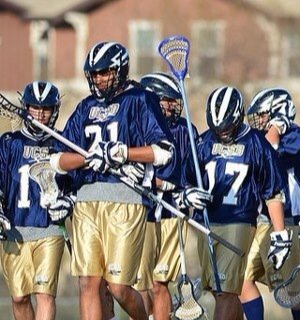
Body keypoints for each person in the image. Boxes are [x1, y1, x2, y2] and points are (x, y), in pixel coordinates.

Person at [50, 41, 177, 320]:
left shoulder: (141, 99)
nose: (98, 79)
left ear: (120, 70)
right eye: (94, 73)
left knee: (119, 287)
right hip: (87, 201)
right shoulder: (85, 107)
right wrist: (87, 158)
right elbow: (57, 160)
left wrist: (124, 153)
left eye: (105, 72)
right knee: (88, 283)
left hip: (125, 198)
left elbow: (164, 152)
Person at [177, 86, 291, 319]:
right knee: (220, 292)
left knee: (226, 290)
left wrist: (280, 235)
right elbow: (185, 178)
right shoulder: (204, 141)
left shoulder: (256, 143)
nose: (222, 132)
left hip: (239, 221)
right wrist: (187, 194)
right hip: (205, 221)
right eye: (218, 127)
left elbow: (273, 192)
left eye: (227, 126)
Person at [0, 81, 72, 320]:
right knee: (20, 298)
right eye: (34, 108)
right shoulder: (9, 143)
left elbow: (76, 182)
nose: (40, 114)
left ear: (55, 110)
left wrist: (68, 202)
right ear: (25, 108)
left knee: (44, 294)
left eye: (46, 109)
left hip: (49, 228)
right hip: (16, 229)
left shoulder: (61, 143)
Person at [240, 88, 300, 320]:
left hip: (291, 220)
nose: (259, 122)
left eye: (263, 116)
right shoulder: (262, 139)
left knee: (294, 291)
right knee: (242, 278)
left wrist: (277, 129)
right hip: (263, 221)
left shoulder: (298, 139)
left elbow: (271, 151)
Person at [139, 71, 194, 320]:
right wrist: (153, 181)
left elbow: (192, 173)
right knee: (139, 282)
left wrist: (186, 190)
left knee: (160, 282)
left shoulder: (186, 130)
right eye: (166, 100)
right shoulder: (136, 126)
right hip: (140, 213)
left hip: (172, 213)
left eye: (175, 100)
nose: (173, 105)